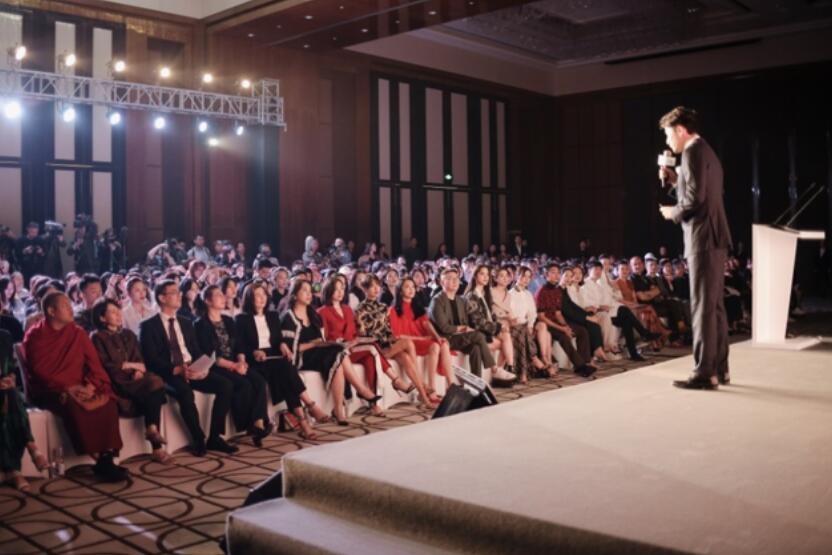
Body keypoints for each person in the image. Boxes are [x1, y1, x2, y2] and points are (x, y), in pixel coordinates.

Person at [658, 106, 732, 389]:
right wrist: (674, 180)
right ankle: (720, 369)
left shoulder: (691, 152)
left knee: (702, 307)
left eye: (669, 134)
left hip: (702, 237)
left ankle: (704, 373)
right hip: (714, 236)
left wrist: (672, 213)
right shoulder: (707, 151)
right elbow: (701, 191)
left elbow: (695, 199)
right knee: (714, 307)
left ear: (680, 130)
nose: (668, 141)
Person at [23, 292, 128, 481]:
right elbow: (40, 371)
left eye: (70, 305)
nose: (71, 309)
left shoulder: (77, 333)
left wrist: (91, 385)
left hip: (82, 385)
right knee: (75, 405)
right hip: (51, 390)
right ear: (51, 311)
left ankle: (106, 457)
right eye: (65, 306)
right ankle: (100, 460)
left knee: (108, 401)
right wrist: (68, 388)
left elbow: (94, 364)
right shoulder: (36, 336)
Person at [140, 280, 238, 455]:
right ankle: (198, 438)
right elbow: (151, 359)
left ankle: (215, 437)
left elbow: (196, 351)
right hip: (169, 373)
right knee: (185, 392)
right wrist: (177, 369)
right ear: (162, 298)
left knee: (226, 385)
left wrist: (203, 368)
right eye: (174, 293)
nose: (179, 296)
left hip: (192, 368)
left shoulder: (186, 322)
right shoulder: (149, 326)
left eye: (179, 292)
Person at [281, 279, 382, 424]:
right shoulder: (288, 317)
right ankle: (361, 390)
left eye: (310, 291)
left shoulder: (312, 314)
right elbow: (291, 350)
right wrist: (314, 344)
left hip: (316, 353)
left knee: (338, 356)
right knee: (337, 355)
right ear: (294, 294)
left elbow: (320, 340)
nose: (309, 294)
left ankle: (339, 410)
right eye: (304, 291)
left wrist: (325, 343)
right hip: (301, 358)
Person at [236, 282, 327, 440]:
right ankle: (307, 415)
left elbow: (278, 339)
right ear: (249, 298)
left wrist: (283, 345)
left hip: (272, 357)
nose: (262, 298)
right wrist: (254, 352)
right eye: (257, 295)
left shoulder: (272, 316)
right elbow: (240, 345)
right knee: (286, 374)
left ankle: (307, 413)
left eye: (264, 294)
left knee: (286, 370)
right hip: (255, 360)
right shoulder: (241, 319)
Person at [90, 299, 172, 464]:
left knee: (154, 386)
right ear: (102, 318)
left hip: (136, 379)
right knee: (156, 383)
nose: (118, 314)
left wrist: (137, 370)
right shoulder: (97, 337)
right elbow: (106, 365)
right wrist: (130, 366)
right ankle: (155, 443)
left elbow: (139, 360)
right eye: (113, 312)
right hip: (116, 380)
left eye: (118, 311)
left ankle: (153, 434)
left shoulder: (128, 334)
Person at [195, 286, 271, 447]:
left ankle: (258, 423)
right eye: (218, 295)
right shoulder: (201, 324)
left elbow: (239, 345)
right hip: (216, 366)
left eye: (222, 294)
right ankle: (250, 426)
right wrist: (233, 365)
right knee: (243, 384)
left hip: (234, 363)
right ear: (207, 301)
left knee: (259, 381)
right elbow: (210, 355)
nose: (223, 297)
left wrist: (241, 361)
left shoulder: (228, 320)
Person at [355, 275, 437, 408]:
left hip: (388, 346)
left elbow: (388, 331)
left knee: (406, 357)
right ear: (365, 289)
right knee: (407, 342)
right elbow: (363, 335)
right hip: (376, 348)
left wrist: (394, 337)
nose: (376, 289)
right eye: (372, 286)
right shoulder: (360, 309)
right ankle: (422, 384)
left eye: (378, 285)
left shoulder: (383, 307)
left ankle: (423, 397)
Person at [318, 277, 392, 412]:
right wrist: (343, 343)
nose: (340, 292)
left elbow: (353, 333)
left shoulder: (347, 309)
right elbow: (324, 339)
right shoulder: (322, 312)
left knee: (370, 357)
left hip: (352, 347)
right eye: (336, 289)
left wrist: (356, 339)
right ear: (329, 291)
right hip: (337, 351)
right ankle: (386, 384)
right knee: (372, 350)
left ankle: (373, 402)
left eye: (342, 289)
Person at [429, 268, 500, 380]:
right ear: (442, 282)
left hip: (460, 337)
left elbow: (466, 322)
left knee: (476, 348)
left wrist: (466, 329)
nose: (455, 281)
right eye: (450, 279)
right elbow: (444, 328)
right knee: (478, 336)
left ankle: (476, 383)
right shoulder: (437, 301)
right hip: (446, 339)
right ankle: (493, 368)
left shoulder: (460, 300)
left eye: (456, 278)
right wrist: (463, 328)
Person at [1, 329, 50, 490]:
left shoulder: (4, 336)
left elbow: (9, 368)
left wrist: (10, 379)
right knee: (10, 398)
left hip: (5, 392)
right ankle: (31, 449)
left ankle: (14, 470)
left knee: (10, 396)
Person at [389, 277, 451, 396]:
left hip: (418, 341)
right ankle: (428, 390)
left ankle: (434, 387)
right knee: (434, 345)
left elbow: (426, 324)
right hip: (407, 344)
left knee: (439, 344)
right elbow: (398, 336)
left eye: (413, 287)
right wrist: (423, 339)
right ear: (400, 291)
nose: (411, 289)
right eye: (407, 287)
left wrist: (437, 337)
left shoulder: (417, 307)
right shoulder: (394, 310)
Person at [534, 264, 597, 378]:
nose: (556, 275)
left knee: (581, 331)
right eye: (553, 272)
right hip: (546, 324)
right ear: (546, 275)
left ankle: (585, 362)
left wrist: (566, 326)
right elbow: (542, 317)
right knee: (564, 337)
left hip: (557, 322)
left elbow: (558, 314)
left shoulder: (557, 291)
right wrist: (562, 328)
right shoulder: (541, 291)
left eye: (558, 273)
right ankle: (580, 366)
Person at [464, 265, 517, 384]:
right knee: (504, 340)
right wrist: (498, 327)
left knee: (506, 335)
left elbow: (491, 315)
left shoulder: (485, 293)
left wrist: (500, 325)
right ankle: (501, 371)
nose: (485, 277)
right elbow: (477, 322)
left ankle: (506, 369)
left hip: (486, 330)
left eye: (487, 274)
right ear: (475, 276)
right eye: (482, 274)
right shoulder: (472, 295)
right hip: (477, 332)